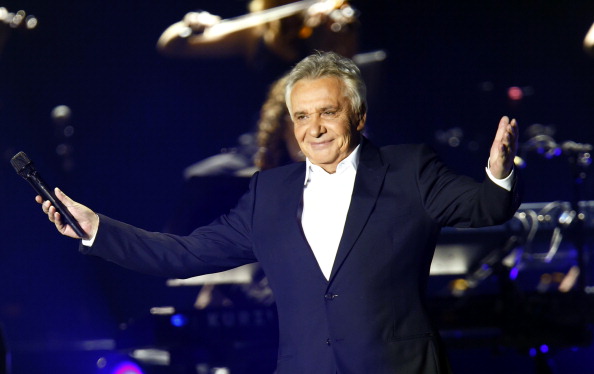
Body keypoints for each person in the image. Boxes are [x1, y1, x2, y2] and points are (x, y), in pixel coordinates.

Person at [37, 51, 520, 373]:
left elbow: (486, 206)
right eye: (302, 116)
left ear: (357, 116)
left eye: (327, 112)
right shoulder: (270, 192)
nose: (315, 129)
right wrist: (97, 229)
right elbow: (183, 255)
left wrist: (499, 172)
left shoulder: (408, 168)